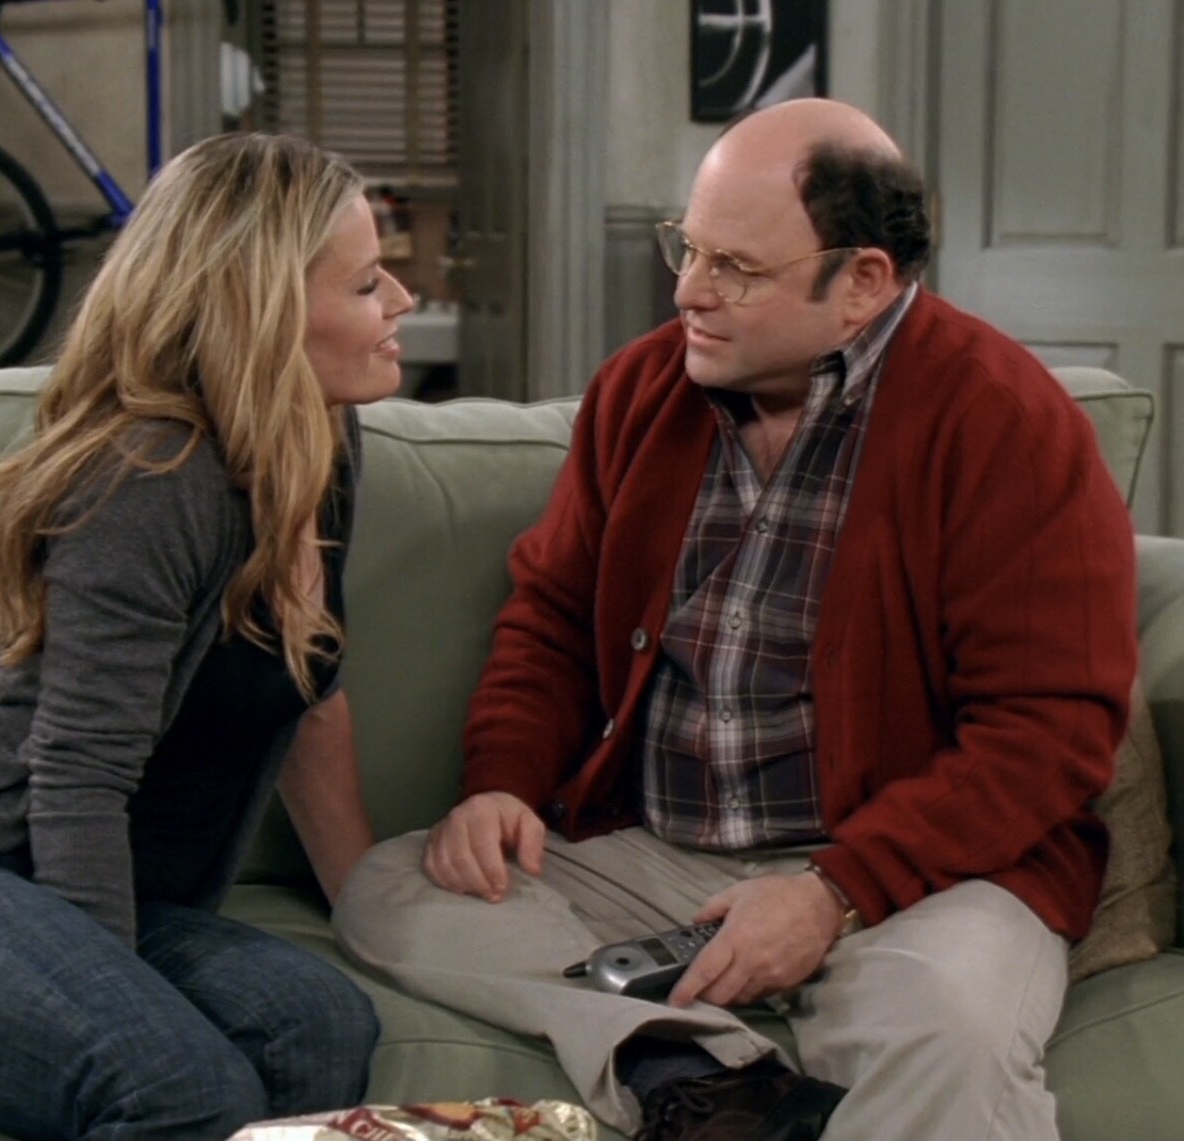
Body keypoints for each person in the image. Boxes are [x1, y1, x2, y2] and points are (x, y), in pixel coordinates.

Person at [334, 98, 1137, 1141]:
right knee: (392, 886)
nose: (687, 291)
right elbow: (552, 618)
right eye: (688, 248)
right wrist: (501, 782)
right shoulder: (640, 391)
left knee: (952, 1032)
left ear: (861, 282)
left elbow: (1048, 732)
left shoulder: (1004, 421)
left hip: (920, 877)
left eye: (736, 268)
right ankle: (704, 1074)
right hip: (657, 857)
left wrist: (832, 891)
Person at [0, 132, 415, 1141]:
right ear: (263, 310)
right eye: (369, 283)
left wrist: (380, 918)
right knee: (182, 1089)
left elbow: (307, 691)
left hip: (103, 889)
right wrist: (121, 1012)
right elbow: (77, 776)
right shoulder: (154, 476)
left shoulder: (319, 436)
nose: (404, 301)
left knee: (321, 1028)